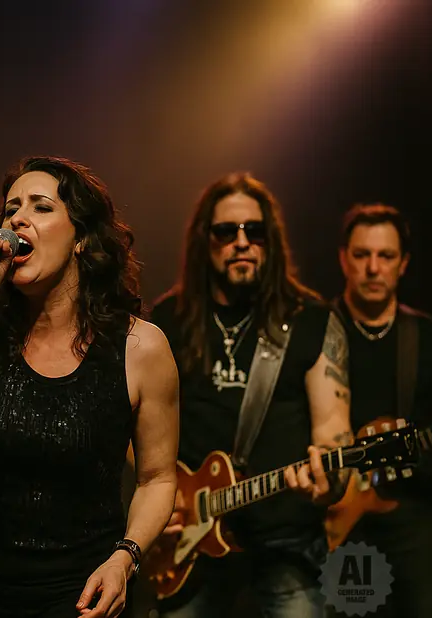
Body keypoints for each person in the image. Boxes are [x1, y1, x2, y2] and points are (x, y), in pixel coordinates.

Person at [0, 155, 180, 618]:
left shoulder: (139, 348)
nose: (18, 219)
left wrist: (125, 558)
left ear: (81, 239)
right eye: (12, 208)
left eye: (41, 206)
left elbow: (158, 477)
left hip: (76, 592)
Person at [149, 172, 353, 618]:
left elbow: (335, 431)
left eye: (254, 231)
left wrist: (328, 482)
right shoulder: (167, 320)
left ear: (271, 241)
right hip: (188, 548)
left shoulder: (313, 320)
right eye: (226, 231)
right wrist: (159, 500)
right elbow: (132, 429)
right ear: (206, 241)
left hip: (285, 539)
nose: (242, 242)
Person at [331, 203, 432, 618]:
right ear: (343, 259)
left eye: (385, 256)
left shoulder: (430, 336)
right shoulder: (315, 329)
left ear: (403, 264)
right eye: (362, 254)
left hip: (410, 509)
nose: (373, 268)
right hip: (333, 508)